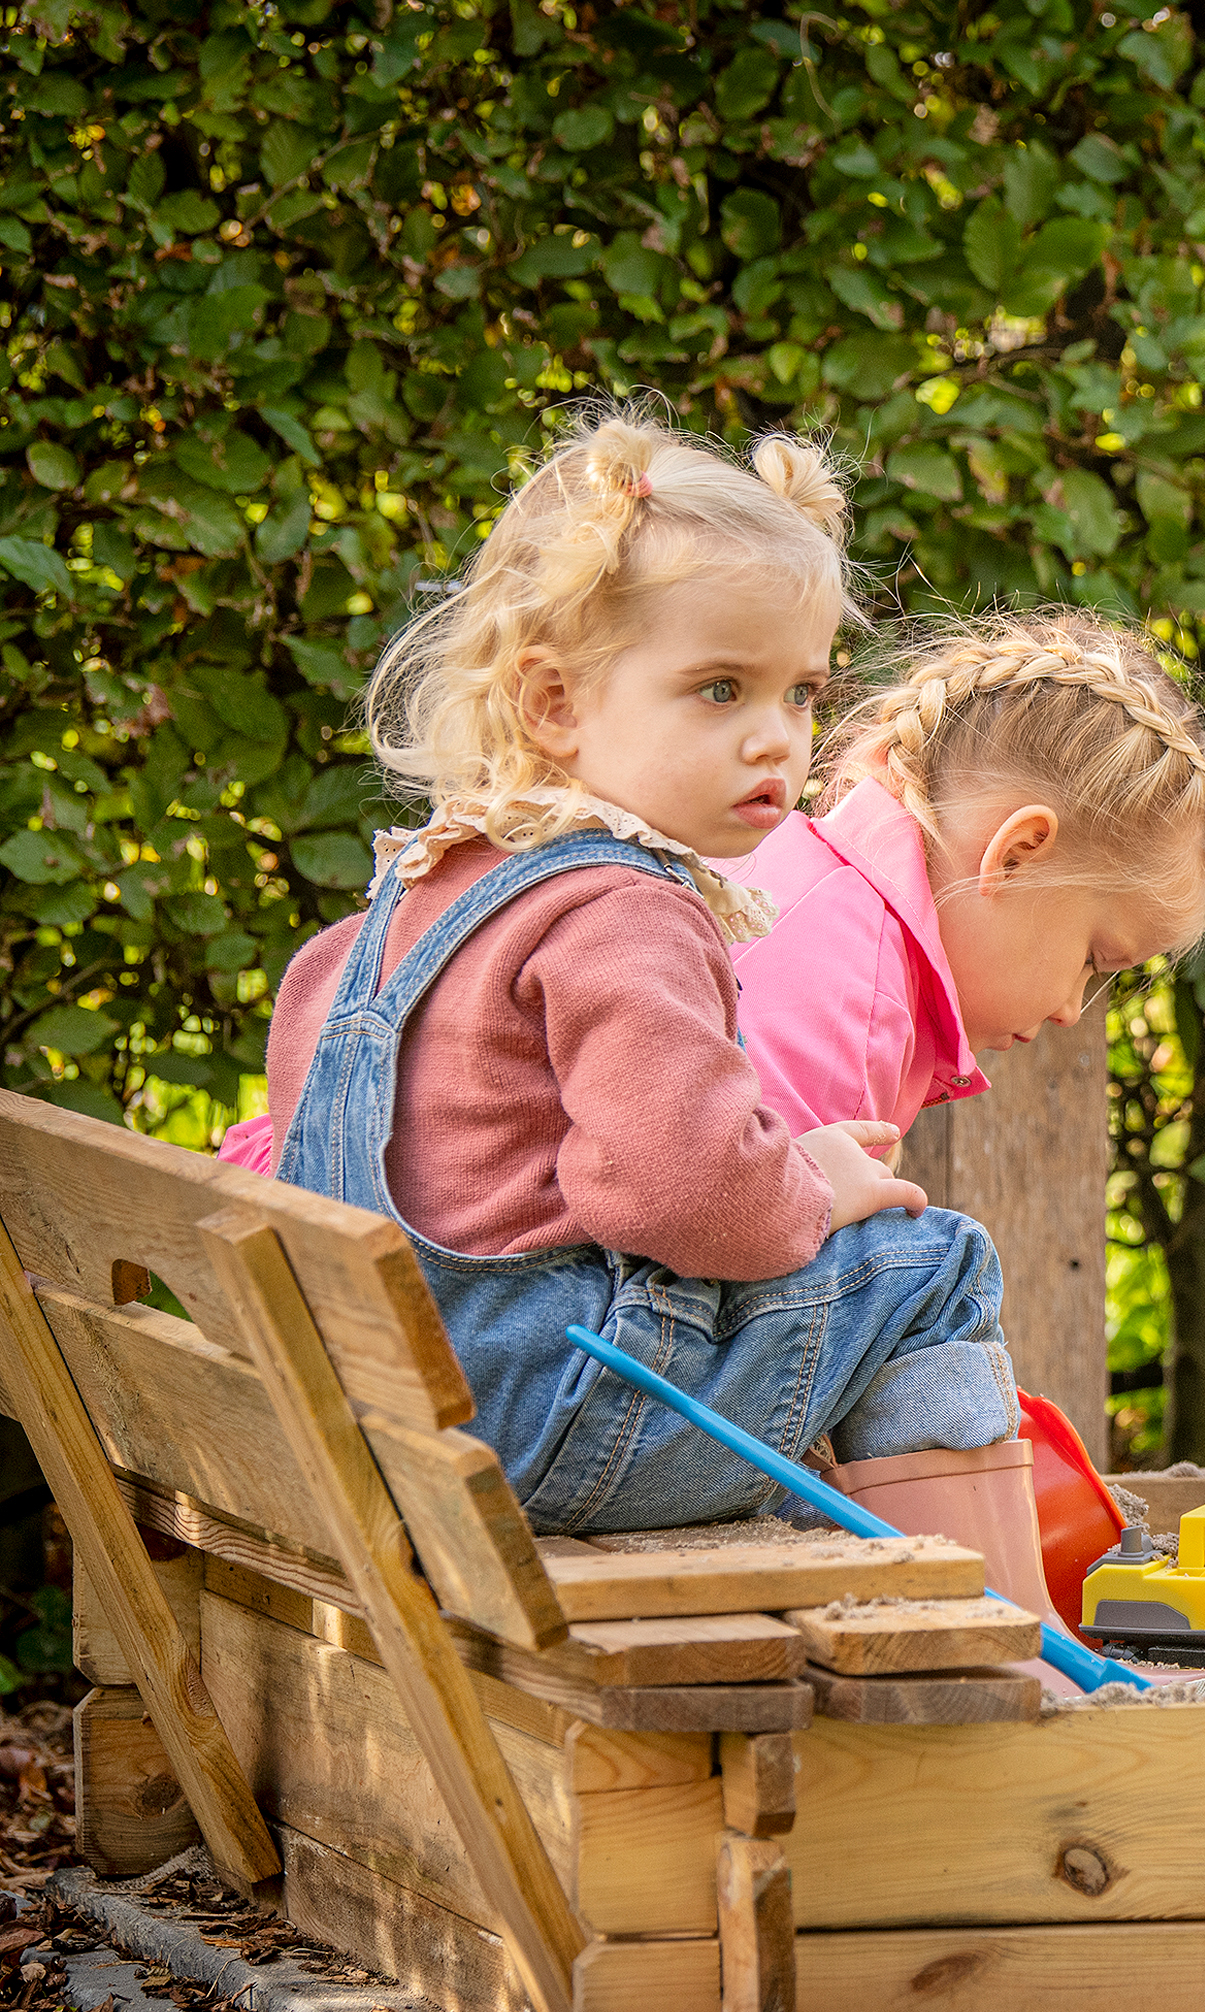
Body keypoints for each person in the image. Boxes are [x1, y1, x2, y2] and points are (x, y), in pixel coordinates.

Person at [233, 409, 1030, 1556]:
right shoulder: (625, 906)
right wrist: (808, 1185)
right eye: (720, 689)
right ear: (553, 702)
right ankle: (1003, 1630)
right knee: (928, 1266)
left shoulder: (405, 902)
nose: (776, 739)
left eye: (800, 693)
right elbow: (681, 1195)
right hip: (552, 1426)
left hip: (383, 1419)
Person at [722, 610, 1205, 1141]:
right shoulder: (853, 1007)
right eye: (1093, 959)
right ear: (1017, 856)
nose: (1071, 1011)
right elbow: (747, 1221)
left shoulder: (809, 888)